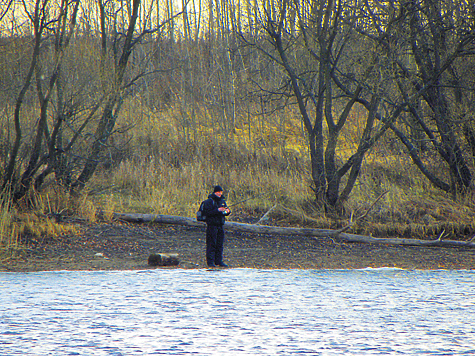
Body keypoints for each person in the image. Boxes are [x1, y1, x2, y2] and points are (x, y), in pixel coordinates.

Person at [202, 185, 231, 267]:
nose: (219, 193)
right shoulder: (209, 201)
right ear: (215, 192)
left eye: (221, 192)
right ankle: (210, 262)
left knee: (220, 244)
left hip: (220, 225)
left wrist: (227, 211)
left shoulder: (222, 201)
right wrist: (217, 210)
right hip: (212, 226)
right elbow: (206, 213)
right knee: (211, 244)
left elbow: (226, 211)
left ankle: (219, 261)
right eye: (218, 192)